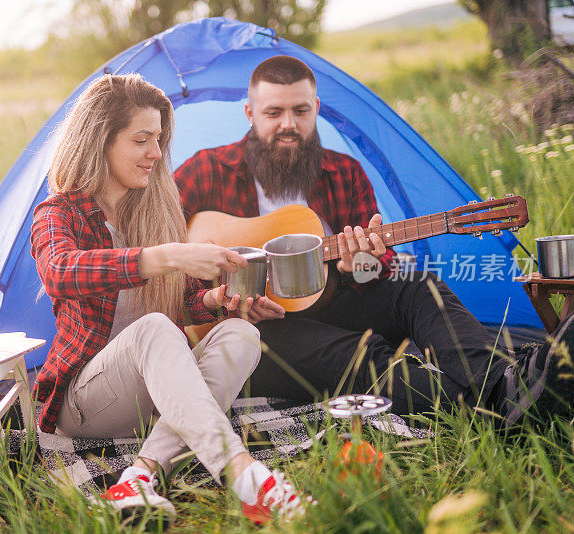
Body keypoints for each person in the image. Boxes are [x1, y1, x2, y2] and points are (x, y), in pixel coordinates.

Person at [174, 55, 574, 426]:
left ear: (316, 107)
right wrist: (220, 300)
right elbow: (165, 262)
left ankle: (503, 384)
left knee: (418, 286)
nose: (288, 125)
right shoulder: (203, 172)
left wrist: (357, 265)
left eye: (300, 110)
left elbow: (375, 274)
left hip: (330, 306)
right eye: (273, 112)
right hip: (252, 336)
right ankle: (507, 401)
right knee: (358, 352)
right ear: (249, 113)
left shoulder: (343, 172)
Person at [30, 73, 310, 525]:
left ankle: (140, 475)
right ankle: (248, 478)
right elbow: (61, 272)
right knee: (156, 329)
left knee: (239, 333)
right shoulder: (59, 213)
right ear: (99, 141)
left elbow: (181, 305)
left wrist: (218, 301)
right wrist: (167, 255)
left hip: (156, 395)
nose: (156, 155)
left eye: (158, 139)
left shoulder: (151, 212)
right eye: (141, 140)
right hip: (86, 404)